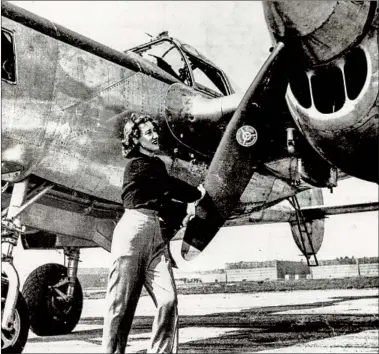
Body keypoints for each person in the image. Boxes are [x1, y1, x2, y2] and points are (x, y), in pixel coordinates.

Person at [102, 112, 203, 353]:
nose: (155, 135)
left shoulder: (156, 165)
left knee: (168, 300)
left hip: (155, 235)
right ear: (136, 139)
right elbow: (167, 188)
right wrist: (197, 194)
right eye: (148, 132)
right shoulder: (137, 166)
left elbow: (163, 199)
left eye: (155, 131)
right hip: (133, 233)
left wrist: (185, 210)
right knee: (120, 306)